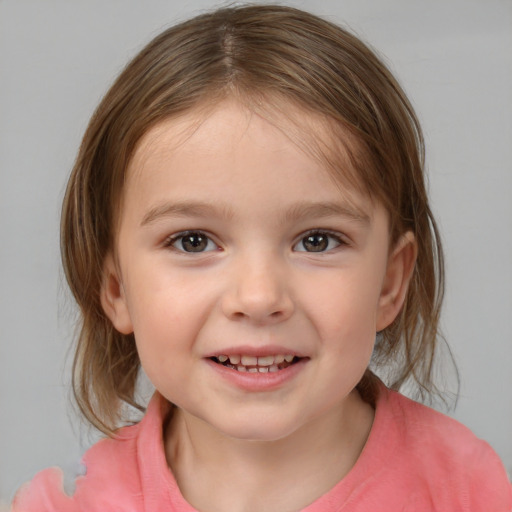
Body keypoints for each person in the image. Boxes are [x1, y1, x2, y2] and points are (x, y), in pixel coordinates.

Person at [11, 5, 511, 511]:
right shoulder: (66, 505)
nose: (258, 297)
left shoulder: (470, 493)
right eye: (193, 241)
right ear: (116, 287)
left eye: (317, 241)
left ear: (390, 282)